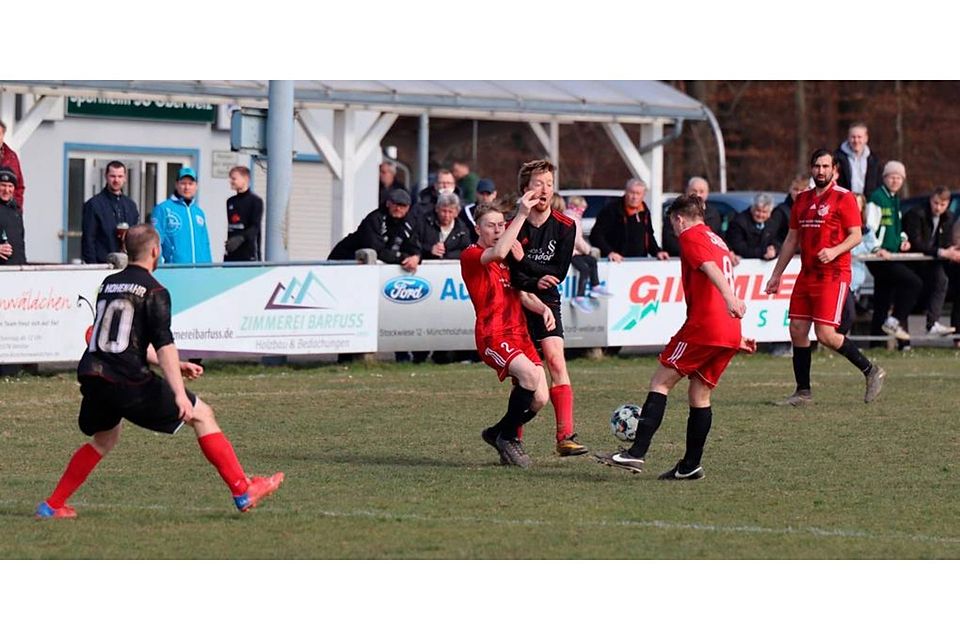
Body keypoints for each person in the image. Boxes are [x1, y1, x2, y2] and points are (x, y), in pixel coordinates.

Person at [34, 224, 283, 519]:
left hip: (94, 374)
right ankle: (242, 489)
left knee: (104, 440)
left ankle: (51, 506)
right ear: (155, 251)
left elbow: (126, 339)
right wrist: (179, 394)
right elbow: (164, 344)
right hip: (126, 379)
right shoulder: (155, 290)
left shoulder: (108, 284)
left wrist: (176, 367)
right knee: (202, 414)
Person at [595, 195, 756, 479]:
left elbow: (711, 269)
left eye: (673, 224)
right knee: (699, 394)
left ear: (679, 218)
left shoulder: (692, 236)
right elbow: (720, 271)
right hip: (727, 329)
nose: (674, 230)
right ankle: (690, 465)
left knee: (661, 381)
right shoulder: (716, 238)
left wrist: (731, 299)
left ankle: (636, 453)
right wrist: (733, 332)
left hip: (705, 326)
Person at [764, 149, 886, 406]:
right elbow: (791, 239)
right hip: (807, 273)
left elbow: (855, 235)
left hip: (834, 274)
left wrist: (834, 250)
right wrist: (776, 275)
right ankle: (802, 392)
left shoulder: (844, 198)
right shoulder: (802, 199)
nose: (821, 171)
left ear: (834, 170)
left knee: (826, 334)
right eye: (817, 166)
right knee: (797, 330)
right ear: (811, 168)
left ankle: (871, 370)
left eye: (825, 166)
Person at [461, 200, 553, 467]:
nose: (498, 230)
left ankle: (497, 433)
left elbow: (521, 293)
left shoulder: (507, 261)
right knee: (530, 374)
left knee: (540, 399)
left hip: (519, 334)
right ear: (478, 228)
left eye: (501, 225)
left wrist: (542, 306)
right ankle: (509, 437)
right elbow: (499, 252)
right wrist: (522, 214)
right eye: (491, 225)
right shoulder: (472, 254)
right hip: (493, 334)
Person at [506, 159, 587, 456]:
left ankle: (565, 436)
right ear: (525, 190)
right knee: (524, 375)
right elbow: (514, 278)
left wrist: (526, 263)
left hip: (548, 300)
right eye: (538, 184)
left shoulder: (566, 226)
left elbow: (558, 273)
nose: (545, 190)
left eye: (550, 184)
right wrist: (530, 276)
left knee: (556, 360)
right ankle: (511, 436)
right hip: (517, 299)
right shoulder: (513, 225)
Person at [864, 160, 920, 345]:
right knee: (913, 283)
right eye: (892, 177)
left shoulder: (894, 198)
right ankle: (894, 321)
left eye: (899, 177)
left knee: (883, 297)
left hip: (890, 255)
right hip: (880, 257)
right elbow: (868, 228)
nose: (895, 180)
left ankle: (876, 342)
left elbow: (896, 227)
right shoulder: (877, 198)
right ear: (885, 178)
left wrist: (903, 240)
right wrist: (876, 249)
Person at [902, 186, 960, 336]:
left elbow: (944, 242)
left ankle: (932, 323)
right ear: (930, 200)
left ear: (948, 204)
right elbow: (917, 242)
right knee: (909, 292)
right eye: (935, 203)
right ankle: (904, 340)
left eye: (942, 205)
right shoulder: (916, 213)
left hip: (932, 261)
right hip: (912, 262)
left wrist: (952, 250)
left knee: (942, 280)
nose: (938, 208)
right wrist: (943, 252)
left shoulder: (949, 217)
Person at [589, 178, 670, 262]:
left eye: (638, 193)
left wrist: (658, 252)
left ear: (643, 195)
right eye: (632, 193)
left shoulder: (645, 211)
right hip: (616, 262)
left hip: (640, 261)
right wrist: (609, 252)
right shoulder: (611, 210)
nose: (634, 197)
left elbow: (648, 236)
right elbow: (596, 235)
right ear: (626, 192)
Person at [81, 161, 140, 264]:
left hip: (127, 265)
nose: (116, 180)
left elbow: (136, 238)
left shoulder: (131, 206)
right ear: (106, 176)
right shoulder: (94, 205)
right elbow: (88, 239)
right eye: (112, 176)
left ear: (125, 178)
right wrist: (93, 267)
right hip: (102, 265)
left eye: (120, 176)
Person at [151, 167, 212, 264]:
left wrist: (208, 266)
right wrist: (159, 266)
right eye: (183, 183)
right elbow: (155, 240)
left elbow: (205, 243)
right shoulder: (163, 209)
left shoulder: (198, 212)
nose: (187, 187)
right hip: (174, 268)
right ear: (176, 185)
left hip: (200, 270)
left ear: (196, 186)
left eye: (190, 184)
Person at [565, 195, 610, 312]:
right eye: (582, 208)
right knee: (584, 269)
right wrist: (588, 250)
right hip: (568, 253)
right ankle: (579, 296)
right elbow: (576, 240)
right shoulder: (571, 219)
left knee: (592, 261)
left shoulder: (575, 218)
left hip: (574, 251)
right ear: (576, 207)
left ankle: (595, 286)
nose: (583, 211)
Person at [662, 177, 723, 256]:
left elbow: (719, 238)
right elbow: (669, 242)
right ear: (687, 191)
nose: (698, 195)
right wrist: (693, 251)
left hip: (708, 257)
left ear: (707, 193)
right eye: (694, 191)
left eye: (702, 191)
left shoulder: (713, 214)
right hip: (679, 259)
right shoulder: (676, 211)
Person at [725, 193, 785, 261]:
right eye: (758, 211)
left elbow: (777, 240)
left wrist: (774, 249)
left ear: (769, 213)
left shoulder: (771, 223)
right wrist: (763, 252)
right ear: (752, 209)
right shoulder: (739, 222)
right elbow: (739, 248)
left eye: (764, 212)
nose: (760, 215)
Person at [224, 166, 264, 262]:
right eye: (230, 178)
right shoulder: (230, 201)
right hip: (232, 252)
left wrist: (240, 238)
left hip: (249, 253)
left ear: (245, 179)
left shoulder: (255, 201)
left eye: (234, 178)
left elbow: (255, 227)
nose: (231, 181)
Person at [420, 192, 471, 261]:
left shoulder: (462, 230)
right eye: (444, 211)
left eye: (450, 212)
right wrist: (430, 249)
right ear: (437, 209)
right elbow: (414, 245)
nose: (446, 215)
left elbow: (466, 251)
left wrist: (447, 254)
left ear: (456, 213)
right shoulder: (424, 223)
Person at [835, 122, 882, 196]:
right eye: (853, 137)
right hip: (844, 201)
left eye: (859, 137)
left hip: (867, 203)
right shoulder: (837, 158)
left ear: (866, 138)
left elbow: (878, 184)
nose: (856, 141)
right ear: (848, 137)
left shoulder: (874, 160)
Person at [772, 175, 811, 242]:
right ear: (790, 189)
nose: (798, 193)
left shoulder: (816, 210)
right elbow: (772, 235)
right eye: (795, 189)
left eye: (802, 190)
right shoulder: (781, 211)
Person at [0, 167, 26, 265]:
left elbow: (21, 243)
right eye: (3, 185)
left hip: (16, 270)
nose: (7, 190)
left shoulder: (16, 210)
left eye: (10, 186)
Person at [0, 120, 25, 210]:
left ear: (3, 136)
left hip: (8, 211)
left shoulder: (12, 157)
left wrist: (17, 208)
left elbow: (19, 186)